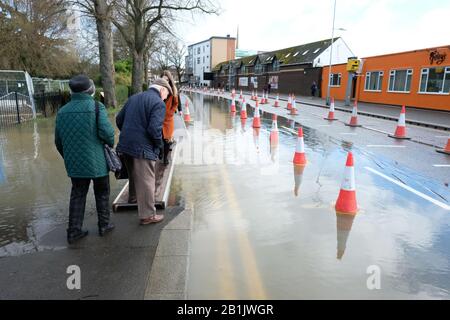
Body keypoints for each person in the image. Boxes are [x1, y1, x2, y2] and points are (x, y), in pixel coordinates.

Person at [55, 74, 116, 244]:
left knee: (77, 195)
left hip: (75, 164)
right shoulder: (97, 107)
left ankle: (73, 232)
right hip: (97, 161)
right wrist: (110, 144)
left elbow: (58, 141)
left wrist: (69, 156)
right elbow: (108, 134)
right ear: (90, 89)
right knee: (102, 192)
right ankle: (104, 226)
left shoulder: (62, 111)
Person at [116, 78, 172, 225]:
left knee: (134, 175)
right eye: (166, 95)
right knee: (147, 180)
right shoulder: (158, 103)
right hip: (143, 148)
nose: (165, 99)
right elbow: (154, 129)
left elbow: (119, 119)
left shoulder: (133, 98)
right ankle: (147, 216)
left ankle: (133, 198)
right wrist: (159, 145)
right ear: (161, 90)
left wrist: (130, 133)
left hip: (125, 145)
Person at [160, 70, 179, 165]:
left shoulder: (173, 90)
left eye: (167, 79)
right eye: (163, 79)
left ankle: (165, 158)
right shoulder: (159, 89)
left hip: (168, 119)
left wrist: (171, 112)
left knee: (167, 140)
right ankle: (161, 153)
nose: (165, 82)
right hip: (158, 118)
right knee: (159, 139)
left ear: (170, 80)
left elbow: (176, 103)